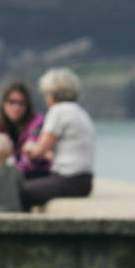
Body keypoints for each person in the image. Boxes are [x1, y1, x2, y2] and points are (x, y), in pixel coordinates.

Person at [20, 68, 96, 210]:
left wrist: (28, 146)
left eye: (46, 93)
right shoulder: (79, 111)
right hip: (85, 180)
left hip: (69, 180)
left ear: (52, 94)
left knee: (19, 191)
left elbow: (40, 150)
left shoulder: (58, 111)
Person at [0, 81, 49, 179]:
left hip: (37, 171)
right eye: (12, 102)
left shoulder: (37, 121)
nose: (16, 107)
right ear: (4, 104)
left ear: (27, 106)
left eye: (21, 103)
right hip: (13, 170)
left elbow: (31, 152)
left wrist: (12, 170)